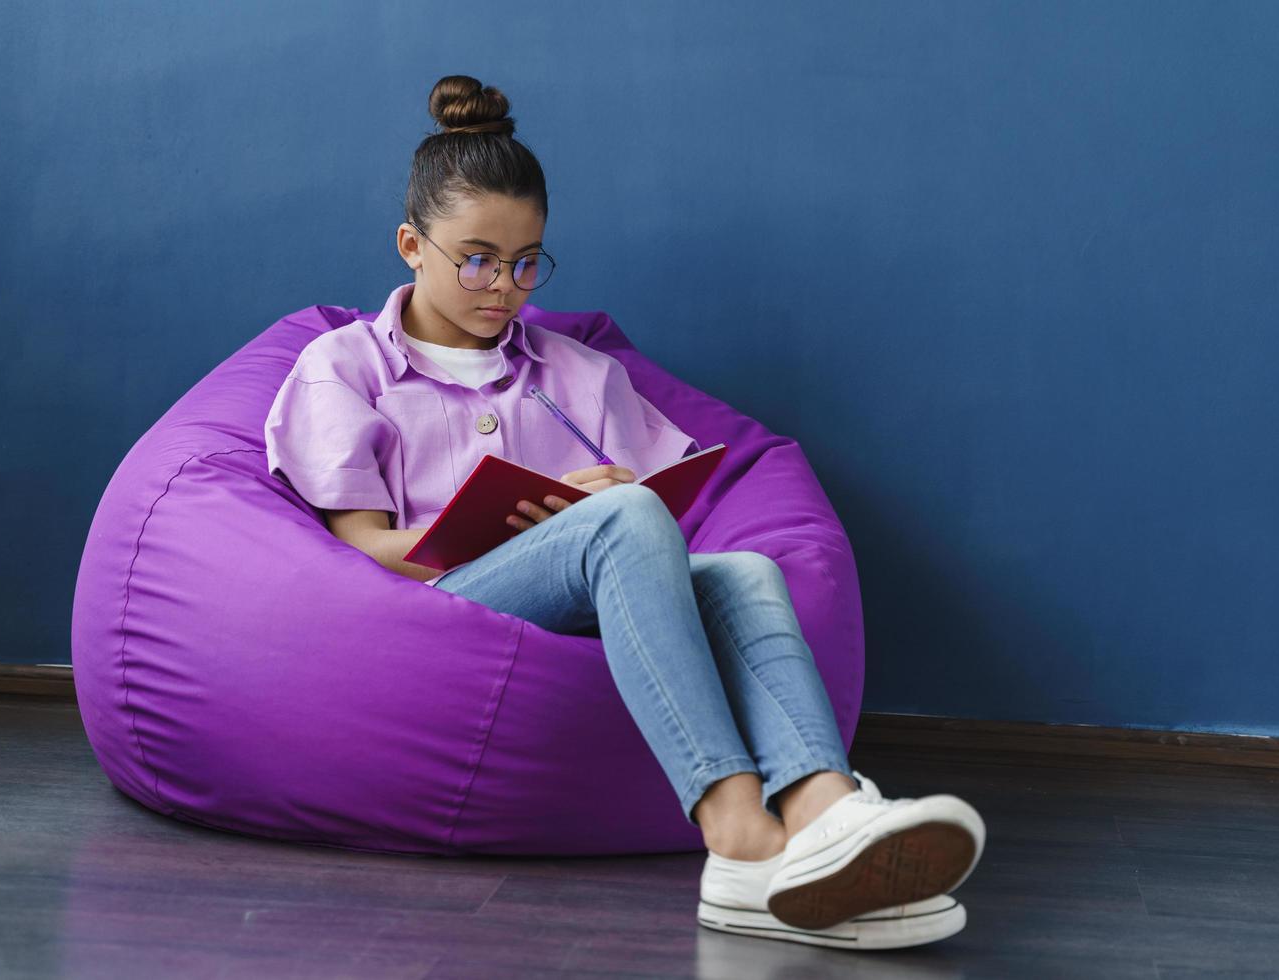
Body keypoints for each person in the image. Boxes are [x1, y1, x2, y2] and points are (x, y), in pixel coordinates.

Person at [264, 74, 986, 951]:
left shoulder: (581, 374)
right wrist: (546, 527)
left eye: (529, 262)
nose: (506, 288)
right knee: (623, 519)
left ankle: (823, 810)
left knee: (747, 568)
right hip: (434, 607)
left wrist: (613, 508)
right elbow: (362, 548)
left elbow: (660, 542)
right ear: (412, 246)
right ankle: (737, 834)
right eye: (478, 259)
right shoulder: (343, 365)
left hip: (583, 600)